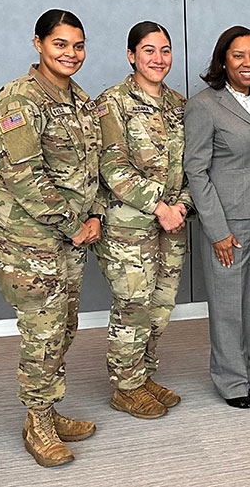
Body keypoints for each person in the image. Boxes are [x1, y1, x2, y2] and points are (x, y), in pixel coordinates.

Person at [0, 9, 103, 467]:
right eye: (60, 44)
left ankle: (48, 408)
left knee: (64, 325)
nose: (71, 54)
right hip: (28, 236)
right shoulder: (20, 99)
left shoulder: (78, 99)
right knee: (44, 331)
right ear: (38, 43)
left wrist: (91, 215)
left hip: (68, 235)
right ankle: (37, 423)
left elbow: (89, 167)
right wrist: (76, 224)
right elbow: (24, 176)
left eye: (78, 45)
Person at [94, 21, 192, 420]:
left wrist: (182, 206)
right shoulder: (111, 103)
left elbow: (194, 167)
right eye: (149, 50)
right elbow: (111, 166)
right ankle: (125, 386)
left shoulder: (181, 105)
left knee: (160, 305)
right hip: (127, 228)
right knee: (132, 306)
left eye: (165, 50)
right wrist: (160, 206)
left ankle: (144, 374)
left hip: (173, 225)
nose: (158, 58)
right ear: (131, 55)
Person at [184, 26, 250, 409]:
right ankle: (229, 381)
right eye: (239, 55)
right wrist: (217, 230)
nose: (248, 63)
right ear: (223, 58)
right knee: (226, 303)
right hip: (228, 221)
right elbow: (196, 171)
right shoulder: (204, 104)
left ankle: (247, 373)